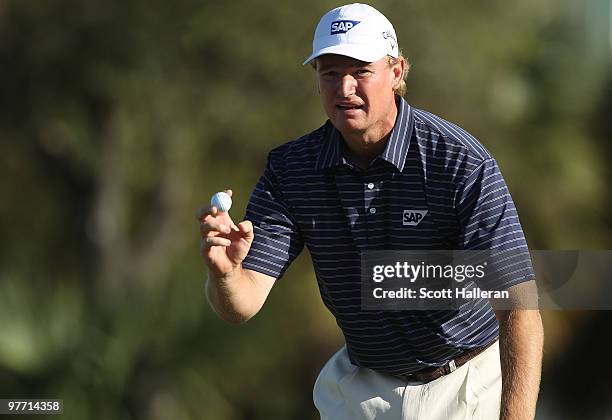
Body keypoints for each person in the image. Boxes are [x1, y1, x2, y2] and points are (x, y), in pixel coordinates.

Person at [198, 3, 543, 419]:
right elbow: (242, 304)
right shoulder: (292, 170)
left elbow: (519, 306)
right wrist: (225, 274)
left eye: (360, 71)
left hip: (465, 381)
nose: (344, 88)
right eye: (330, 73)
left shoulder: (460, 163)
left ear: (397, 73)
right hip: (364, 386)